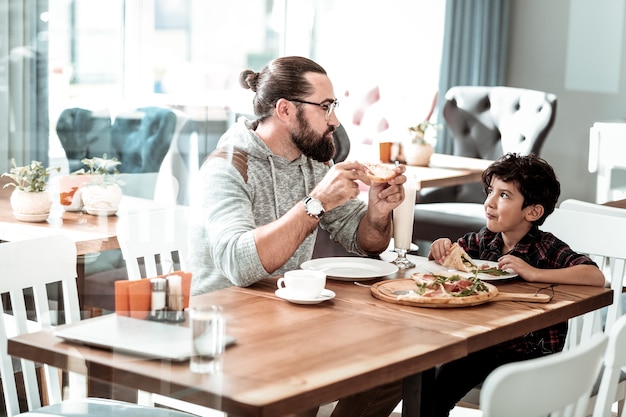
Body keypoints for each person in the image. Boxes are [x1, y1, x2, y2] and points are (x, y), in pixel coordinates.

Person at [188, 56, 407, 416]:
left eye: (333, 106)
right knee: (313, 381)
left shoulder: (312, 162)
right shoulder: (227, 167)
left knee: (398, 365)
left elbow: (364, 240)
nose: (334, 120)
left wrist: (378, 212)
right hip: (225, 326)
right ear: (285, 110)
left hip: (289, 315)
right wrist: (316, 201)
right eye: (325, 107)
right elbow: (239, 267)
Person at [419, 152, 606, 416]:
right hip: (485, 346)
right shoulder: (484, 240)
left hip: (532, 356)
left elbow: (595, 276)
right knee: (435, 389)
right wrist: (439, 249)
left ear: (533, 211)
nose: (489, 203)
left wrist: (534, 273)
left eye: (504, 195)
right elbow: (451, 255)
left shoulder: (546, 248)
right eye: (490, 191)